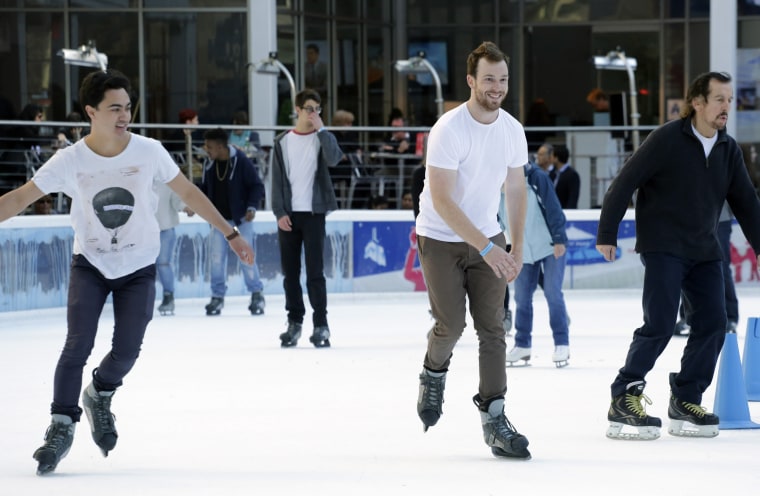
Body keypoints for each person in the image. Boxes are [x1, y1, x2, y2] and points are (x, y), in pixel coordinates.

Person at [0, 69, 253, 476]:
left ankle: (100, 392)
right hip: (91, 265)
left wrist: (230, 233)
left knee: (128, 349)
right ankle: (61, 425)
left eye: (128, 108)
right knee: (77, 344)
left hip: (138, 267)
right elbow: (21, 198)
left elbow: (187, 192)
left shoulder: (149, 151)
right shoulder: (70, 160)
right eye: (114, 108)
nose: (124, 116)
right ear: (91, 112)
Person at [596, 71, 760, 441]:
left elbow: (747, 202)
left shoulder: (727, 148)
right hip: (663, 246)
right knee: (660, 323)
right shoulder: (667, 139)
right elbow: (624, 182)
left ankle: (686, 398)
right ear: (697, 102)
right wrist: (607, 232)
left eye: (730, 100)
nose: (726, 107)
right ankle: (624, 395)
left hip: (704, 249)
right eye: (719, 99)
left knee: (714, 323)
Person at [414, 41, 530, 460]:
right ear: (470, 81)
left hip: (488, 235)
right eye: (489, 79)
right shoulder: (449, 128)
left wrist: (513, 245)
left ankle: (495, 418)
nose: (497, 87)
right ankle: (433, 371)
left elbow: (516, 190)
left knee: (493, 328)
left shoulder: (512, 130)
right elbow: (443, 200)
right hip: (440, 237)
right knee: (451, 325)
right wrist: (487, 248)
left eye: (502, 79)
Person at [271, 88, 343, 348]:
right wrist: (279, 212)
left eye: (318, 109)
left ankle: (321, 325)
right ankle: (294, 322)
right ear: (298, 109)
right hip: (289, 216)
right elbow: (276, 180)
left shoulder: (321, 138)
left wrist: (322, 130)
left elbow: (335, 159)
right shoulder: (282, 142)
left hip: (314, 214)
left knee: (315, 273)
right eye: (309, 108)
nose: (314, 113)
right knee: (290, 274)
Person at [505, 162, 570, 367]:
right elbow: (495, 217)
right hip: (521, 249)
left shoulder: (536, 177)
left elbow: (553, 206)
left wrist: (559, 238)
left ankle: (562, 342)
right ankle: (522, 344)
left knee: (552, 292)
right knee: (522, 297)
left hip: (550, 245)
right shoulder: (494, 181)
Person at [199, 127, 266, 316]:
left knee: (246, 256)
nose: (207, 150)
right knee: (216, 259)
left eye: (209, 147)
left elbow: (256, 185)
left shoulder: (241, 161)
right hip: (218, 221)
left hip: (241, 219)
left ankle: (256, 293)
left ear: (221, 147)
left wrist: (252, 207)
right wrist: (193, 205)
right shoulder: (209, 164)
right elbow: (203, 188)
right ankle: (217, 297)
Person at [673, 201, 739, 336]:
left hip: (719, 217)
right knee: (688, 264)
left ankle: (730, 317)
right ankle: (688, 316)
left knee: (721, 266)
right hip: (689, 216)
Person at [155, 179, 194, 316]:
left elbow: (176, 198)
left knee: (163, 263)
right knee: (142, 267)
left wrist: (185, 207)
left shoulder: (166, 177)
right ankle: (140, 298)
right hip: (144, 230)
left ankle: (168, 296)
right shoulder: (139, 174)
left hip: (165, 227)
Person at [551, 144, 580, 209]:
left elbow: (573, 198)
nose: (550, 158)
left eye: (552, 156)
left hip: (565, 212)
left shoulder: (572, 175)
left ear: (556, 158)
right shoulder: (552, 173)